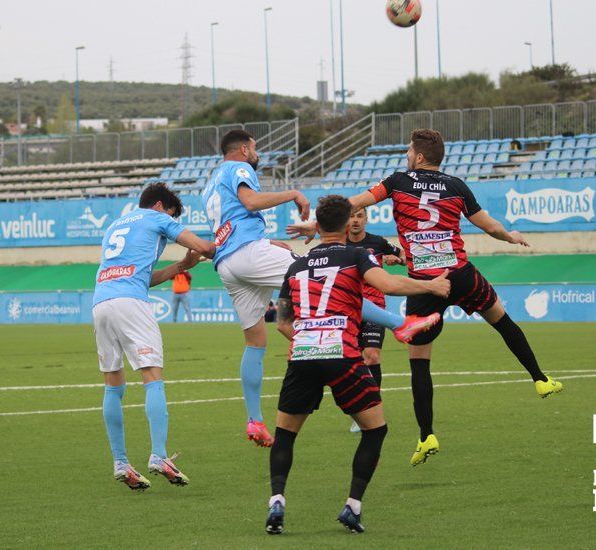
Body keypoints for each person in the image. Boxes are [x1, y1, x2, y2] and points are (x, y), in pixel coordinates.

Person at [201, 129, 437, 447]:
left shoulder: (210, 184)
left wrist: (268, 241)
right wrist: (293, 194)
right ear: (244, 149)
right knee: (330, 279)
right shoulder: (238, 168)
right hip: (248, 254)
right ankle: (400, 324)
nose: (257, 154)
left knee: (255, 340)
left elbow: (231, 224)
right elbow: (251, 201)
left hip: (228, 265)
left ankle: (255, 420)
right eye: (255, 148)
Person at [346, 129, 564, 467]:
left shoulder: (397, 181)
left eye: (408, 150)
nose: (406, 154)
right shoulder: (456, 185)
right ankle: (540, 379)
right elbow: (489, 226)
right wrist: (510, 236)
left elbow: (356, 202)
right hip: (460, 274)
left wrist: (321, 222)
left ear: (418, 156)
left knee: (419, 362)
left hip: (424, 283)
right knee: (502, 320)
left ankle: (426, 435)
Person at [265, 195, 449, 535]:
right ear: (348, 222)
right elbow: (389, 284)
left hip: (302, 356)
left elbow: (281, 322)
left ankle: (276, 500)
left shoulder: (296, 266)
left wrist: (309, 340)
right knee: (375, 430)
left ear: (317, 225)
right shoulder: (355, 254)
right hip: (343, 355)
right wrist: (431, 285)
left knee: (285, 435)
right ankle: (352, 506)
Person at [93, 182, 216, 491]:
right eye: (172, 216)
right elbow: (203, 247)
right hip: (131, 303)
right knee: (152, 376)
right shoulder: (157, 217)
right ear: (161, 207)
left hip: (101, 302)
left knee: (113, 384)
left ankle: (121, 462)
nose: (170, 226)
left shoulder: (114, 227)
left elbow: (143, 277)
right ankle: (159, 456)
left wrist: (179, 267)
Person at [345, 208, 406, 433]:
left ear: (366, 219)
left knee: (371, 356)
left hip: (374, 307)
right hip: (348, 308)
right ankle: (358, 410)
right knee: (351, 361)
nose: (355, 220)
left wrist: (396, 259)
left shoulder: (378, 243)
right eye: (351, 216)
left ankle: (371, 409)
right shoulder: (339, 244)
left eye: (360, 216)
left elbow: (404, 255)